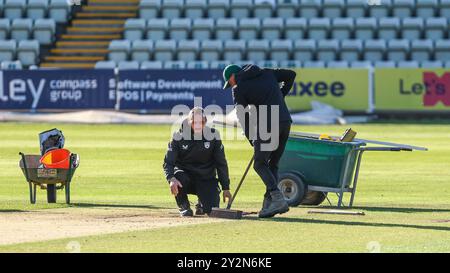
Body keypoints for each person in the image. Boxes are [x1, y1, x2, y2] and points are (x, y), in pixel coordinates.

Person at [222, 64, 297, 218]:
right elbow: (291, 75)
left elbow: (243, 116)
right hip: (284, 122)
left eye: (229, 82)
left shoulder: (238, 88)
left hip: (268, 125)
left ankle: (277, 198)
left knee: (259, 164)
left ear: (233, 76)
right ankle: (269, 204)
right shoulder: (267, 72)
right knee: (273, 164)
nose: (230, 85)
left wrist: (252, 139)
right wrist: (281, 95)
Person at [163, 107, 233, 217]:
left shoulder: (213, 136)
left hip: (205, 177)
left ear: (205, 122)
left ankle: (202, 203)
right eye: (195, 122)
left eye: (201, 122)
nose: (198, 125)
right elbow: (168, 162)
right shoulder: (178, 136)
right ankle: (184, 205)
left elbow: (221, 163)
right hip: (185, 177)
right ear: (189, 122)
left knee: (212, 210)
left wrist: (225, 187)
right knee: (178, 176)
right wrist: (171, 179)